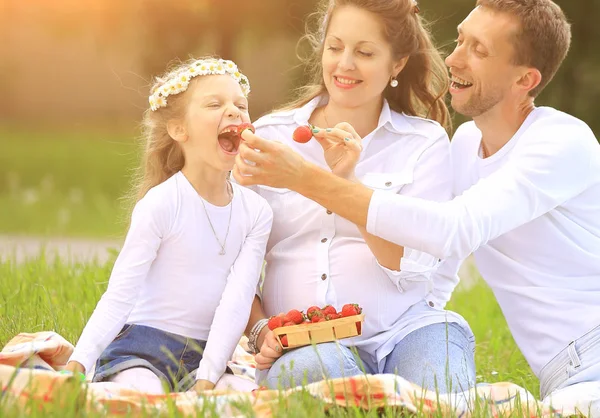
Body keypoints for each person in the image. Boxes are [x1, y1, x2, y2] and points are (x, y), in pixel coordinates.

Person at [234, 0, 600, 414]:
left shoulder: (561, 143)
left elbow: (452, 229)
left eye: (479, 50)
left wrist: (308, 178)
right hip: (563, 371)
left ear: (525, 79)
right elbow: (440, 267)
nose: (453, 58)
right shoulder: (464, 147)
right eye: (460, 40)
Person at [242, 0, 476, 393]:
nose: (345, 64)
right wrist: (261, 328)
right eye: (335, 48)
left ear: (397, 64)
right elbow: (232, 260)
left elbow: (408, 265)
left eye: (365, 52)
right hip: (306, 339)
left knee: (439, 383)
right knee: (317, 373)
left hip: (406, 329)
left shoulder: (423, 143)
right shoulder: (272, 137)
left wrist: (345, 180)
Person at [64, 57, 273, 394]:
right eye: (215, 104)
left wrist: (207, 378)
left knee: (240, 400)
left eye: (241, 105)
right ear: (179, 130)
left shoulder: (257, 211)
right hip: (142, 348)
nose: (234, 111)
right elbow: (120, 294)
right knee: (144, 394)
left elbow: (237, 301)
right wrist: (78, 364)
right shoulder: (162, 203)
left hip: (204, 354)